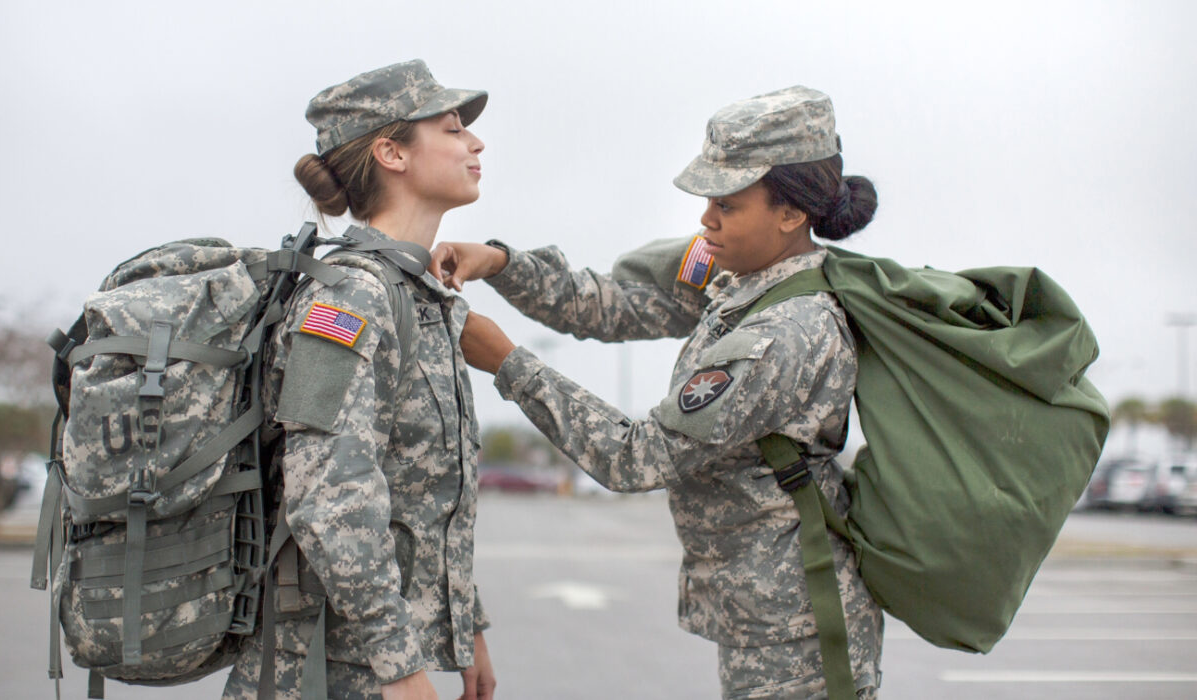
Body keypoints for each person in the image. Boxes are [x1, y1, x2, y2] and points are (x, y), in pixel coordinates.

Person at [432, 86, 883, 698]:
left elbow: (635, 457)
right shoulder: (741, 278)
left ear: (790, 213)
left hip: (798, 627)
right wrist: (501, 263)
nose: (706, 220)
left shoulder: (786, 332)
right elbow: (613, 305)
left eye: (727, 203)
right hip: (764, 612)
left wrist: (507, 363)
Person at [222, 60, 496, 700]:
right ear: (391, 152)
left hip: (375, 663)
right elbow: (328, 495)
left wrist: (468, 628)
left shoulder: (416, 295)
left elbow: (421, 495)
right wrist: (398, 667)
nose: (476, 144)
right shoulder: (349, 300)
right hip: (326, 669)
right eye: (454, 129)